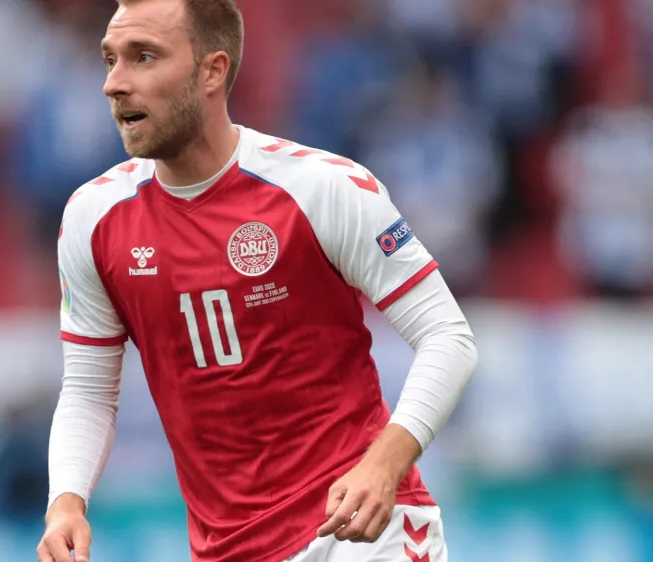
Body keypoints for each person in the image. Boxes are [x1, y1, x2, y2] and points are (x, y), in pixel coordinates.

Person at [38, 1, 478, 561]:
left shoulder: (321, 189)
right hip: (227, 549)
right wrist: (66, 504)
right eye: (110, 61)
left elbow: (448, 337)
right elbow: (88, 390)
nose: (115, 84)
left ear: (212, 71)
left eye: (143, 58)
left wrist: (385, 462)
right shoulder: (93, 219)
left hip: (361, 531)